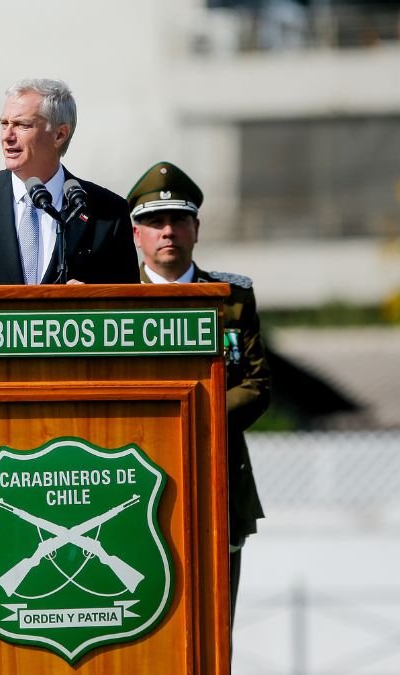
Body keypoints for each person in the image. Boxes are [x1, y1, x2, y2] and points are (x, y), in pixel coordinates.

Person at [126, 161, 271, 622]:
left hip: (216, 477)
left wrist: (192, 417)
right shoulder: (112, 298)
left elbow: (257, 385)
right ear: (136, 235)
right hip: (132, 483)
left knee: (212, 628)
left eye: (177, 220)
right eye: (153, 222)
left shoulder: (232, 297)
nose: (167, 231)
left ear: (196, 228)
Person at [0, 78, 138, 286]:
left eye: (22, 125)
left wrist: (92, 300)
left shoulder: (107, 213)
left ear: (59, 134)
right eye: (4, 123)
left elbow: (129, 311)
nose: (7, 135)